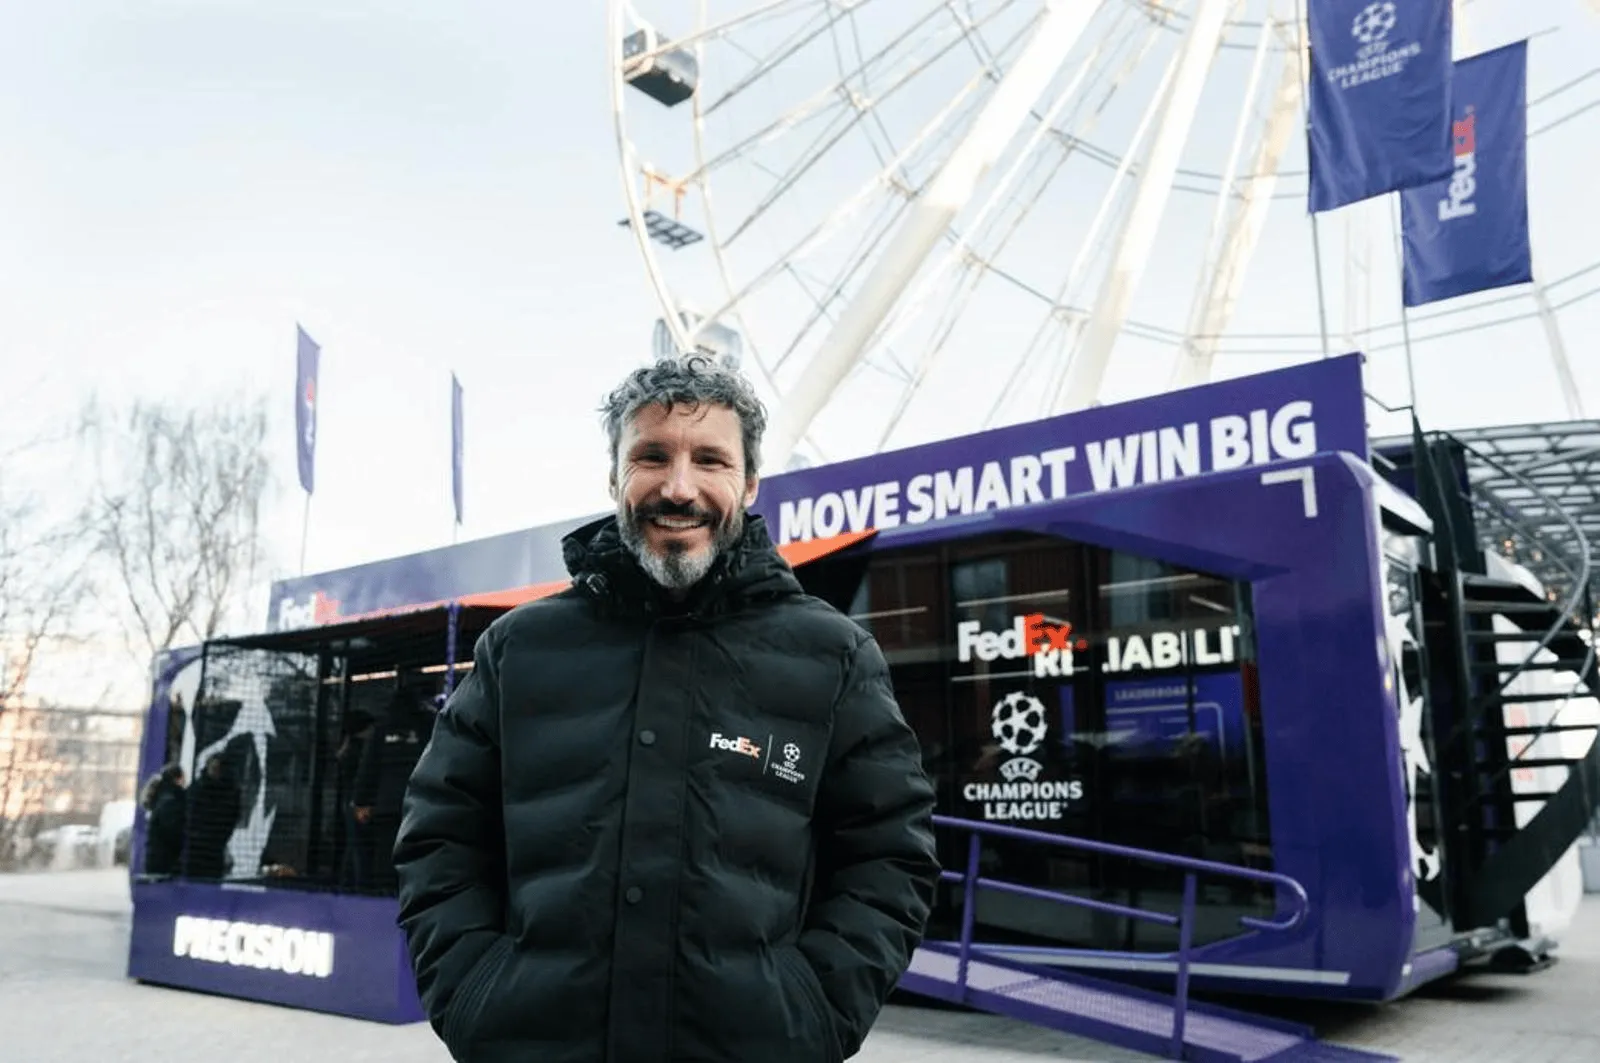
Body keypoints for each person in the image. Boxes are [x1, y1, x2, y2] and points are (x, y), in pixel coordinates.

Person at [394, 355, 941, 1063]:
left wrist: (812, 1013)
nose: (679, 487)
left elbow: (890, 856)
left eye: (710, 459)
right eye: (652, 456)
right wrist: (476, 994)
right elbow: (440, 836)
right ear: (614, 476)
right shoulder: (518, 649)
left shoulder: (832, 656)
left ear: (749, 484)